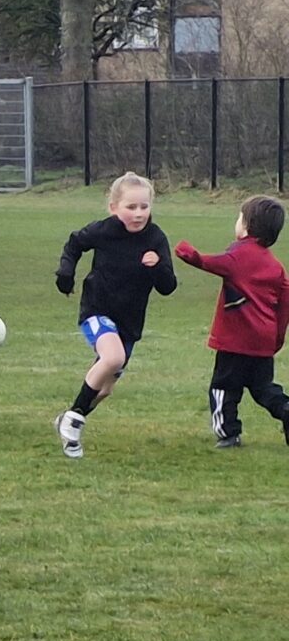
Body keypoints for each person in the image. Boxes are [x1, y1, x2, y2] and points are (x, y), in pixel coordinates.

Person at [53, 172, 176, 459]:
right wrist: (65, 273)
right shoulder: (103, 230)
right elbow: (74, 244)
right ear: (114, 208)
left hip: (130, 323)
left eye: (144, 207)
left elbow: (168, 287)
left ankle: (68, 417)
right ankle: (73, 425)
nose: (138, 213)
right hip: (98, 310)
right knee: (112, 358)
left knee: (105, 388)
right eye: (131, 207)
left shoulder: (156, 239)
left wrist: (157, 266)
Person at [175, 195, 289, 448]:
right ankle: (286, 408)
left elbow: (211, 263)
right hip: (263, 341)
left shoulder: (238, 255)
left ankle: (228, 433)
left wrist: (186, 251)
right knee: (263, 389)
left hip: (235, 341)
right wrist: (276, 339)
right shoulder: (276, 266)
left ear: (247, 225)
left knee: (223, 387)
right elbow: (284, 305)